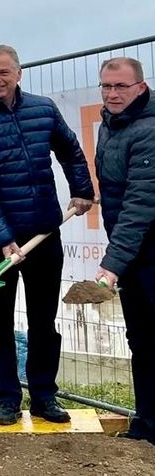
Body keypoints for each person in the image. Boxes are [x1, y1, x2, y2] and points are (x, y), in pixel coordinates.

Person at [0, 44, 94, 426]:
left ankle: (44, 396)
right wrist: (2, 236)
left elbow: (70, 149)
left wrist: (82, 188)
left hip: (44, 232)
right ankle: (7, 397)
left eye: (3, 72)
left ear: (19, 73)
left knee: (43, 321)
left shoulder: (43, 109)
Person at [93, 57, 155, 446]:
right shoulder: (110, 127)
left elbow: (140, 202)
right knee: (142, 339)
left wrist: (112, 264)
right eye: (106, 87)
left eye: (120, 87)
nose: (112, 94)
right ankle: (148, 422)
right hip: (134, 256)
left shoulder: (149, 130)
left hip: (148, 252)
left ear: (140, 88)